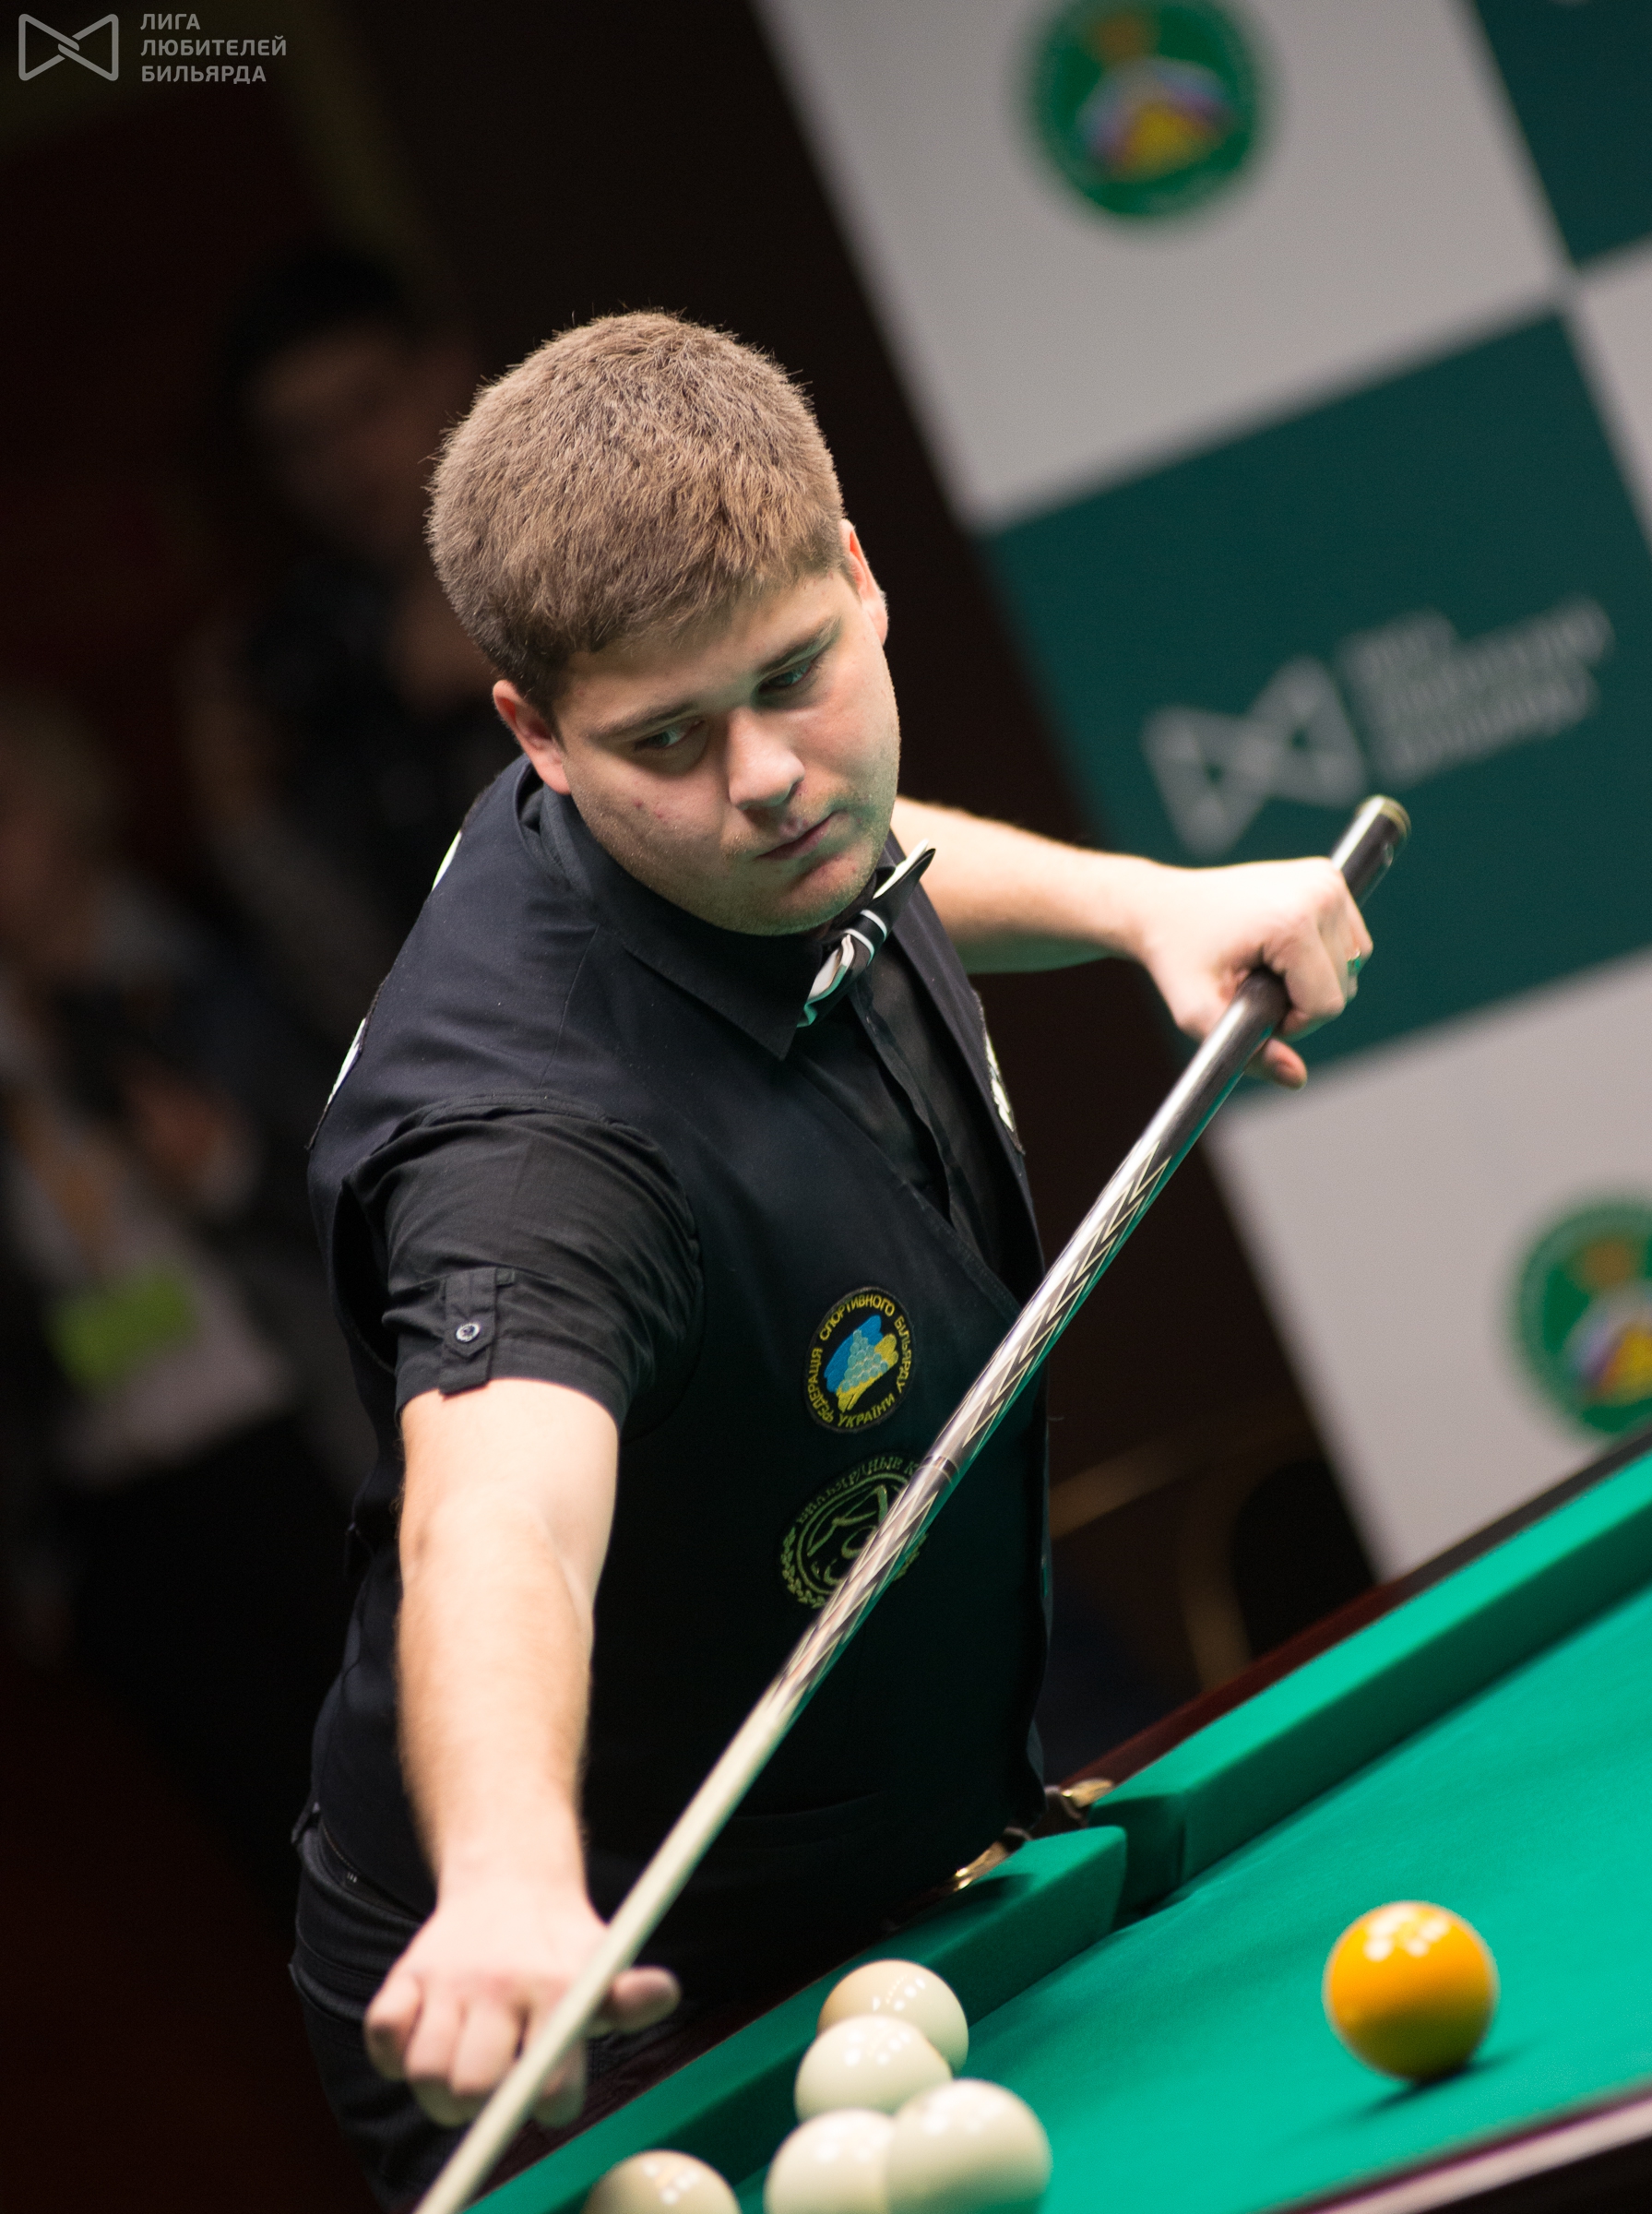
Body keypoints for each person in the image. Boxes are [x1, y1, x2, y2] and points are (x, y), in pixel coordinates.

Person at [294, 314, 1372, 2205]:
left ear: (858, 576)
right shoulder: (535, 1152)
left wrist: (1140, 904)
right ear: (536, 740)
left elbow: (862, 849)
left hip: (869, 1864)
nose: (768, 779)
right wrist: (510, 1884)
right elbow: (500, 1518)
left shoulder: (746, 822)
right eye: (665, 742)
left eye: (793, 676)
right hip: (589, 1997)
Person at [0, 689, 353, 1927]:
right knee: (283, 1846)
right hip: (123, 1505)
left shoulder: (199, 965)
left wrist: (224, 1166)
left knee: (408, 1776)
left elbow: (377, 1191)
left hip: (291, 1442)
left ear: (72, 806)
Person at [183, 246, 516, 1051]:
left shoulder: (601, 531)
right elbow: (379, 1018)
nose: (343, 465)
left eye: (366, 408)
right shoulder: (324, 661)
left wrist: (533, 678)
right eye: (301, 442)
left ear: (445, 372)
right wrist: (247, 825)